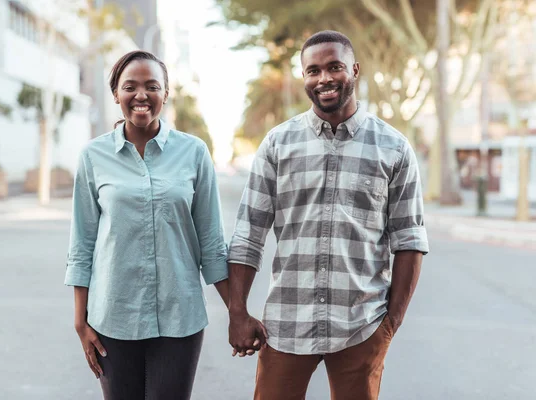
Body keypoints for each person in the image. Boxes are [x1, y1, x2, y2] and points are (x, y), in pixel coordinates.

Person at [227, 31, 429, 400]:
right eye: (313, 71)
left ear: (354, 69)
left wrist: (391, 324)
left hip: (361, 325)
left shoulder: (394, 148)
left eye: (334, 67)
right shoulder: (277, 144)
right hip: (286, 325)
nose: (324, 79)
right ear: (304, 77)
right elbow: (248, 235)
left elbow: (410, 240)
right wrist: (237, 313)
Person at [64, 50, 229, 400]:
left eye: (152, 86)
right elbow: (82, 245)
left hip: (180, 319)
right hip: (112, 318)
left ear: (165, 94)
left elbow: (212, 243)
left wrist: (239, 314)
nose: (141, 95)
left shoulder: (194, 153)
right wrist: (81, 321)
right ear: (116, 95)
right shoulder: (93, 157)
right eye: (130, 87)